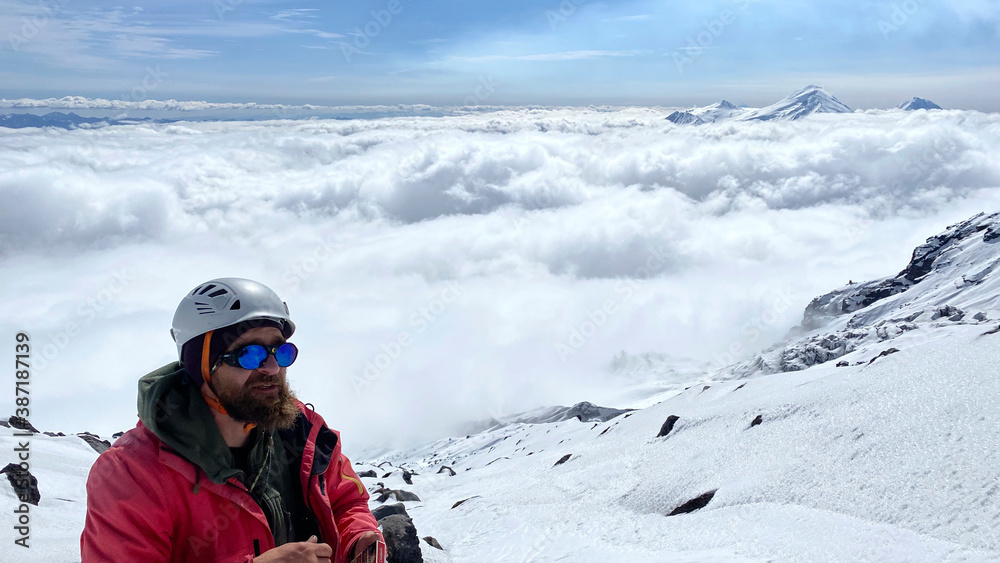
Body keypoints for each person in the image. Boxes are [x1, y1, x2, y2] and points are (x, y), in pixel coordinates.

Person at [81, 278, 387, 563]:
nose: (270, 367)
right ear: (201, 366)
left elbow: (346, 503)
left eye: (280, 352)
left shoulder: (302, 432)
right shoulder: (131, 474)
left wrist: (356, 539)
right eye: (249, 354)